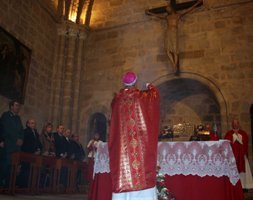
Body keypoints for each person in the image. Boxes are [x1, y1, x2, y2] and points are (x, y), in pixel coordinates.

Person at [109, 71, 160, 200]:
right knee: (142, 172)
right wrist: (150, 86)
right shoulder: (142, 97)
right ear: (135, 82)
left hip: (123, 152)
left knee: (123, 173)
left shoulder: (117, 100)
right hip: (141, 147)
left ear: (124, 83)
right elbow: (154, 96)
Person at [146, 0, 203, 73]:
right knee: (167, 50)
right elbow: (158, 16)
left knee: (175, 50)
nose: (167, 10)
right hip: (168, 32)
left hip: (174, 32)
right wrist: (149, 12)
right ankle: (173, 64)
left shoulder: (177, 15)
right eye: (166, 10)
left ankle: (175, 65)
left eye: (168, 9)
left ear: (171, 9)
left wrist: (197, 3)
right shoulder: (167, 17)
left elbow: (187, 10)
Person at [224, 119, 253, 189]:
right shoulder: (229, 133)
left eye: (236, 123)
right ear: (232, 125)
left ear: (239, 124)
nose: (235, 124)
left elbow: (245, 141)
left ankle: (244, 185)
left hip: (242, 156)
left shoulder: (243, 133)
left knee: (243, 170)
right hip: (233, 157)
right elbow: (227, 142)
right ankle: (235, 185)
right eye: (234, 123)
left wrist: (238, 136)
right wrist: (234, 136)